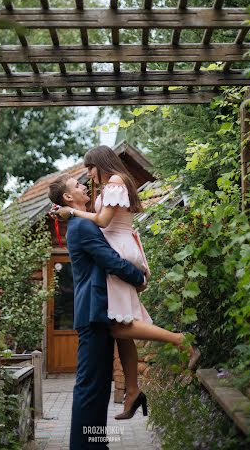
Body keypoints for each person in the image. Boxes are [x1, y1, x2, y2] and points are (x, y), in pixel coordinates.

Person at [51, 145, 201, 422]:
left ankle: (180, 341)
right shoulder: (111, 185)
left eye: (90, 169)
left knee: (119, 326)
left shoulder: (115, 183)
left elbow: (103, 220)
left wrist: (71, 213)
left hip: (119, 251)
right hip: (122, 247)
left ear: (101, 163)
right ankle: (132, 390)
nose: (89, 176)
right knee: (124, 324)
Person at [48, 173, 147, 450]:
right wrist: (138, 277)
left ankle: (96, 442)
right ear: (68, 197)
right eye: (77, 185)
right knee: (91, 386)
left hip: (98, 313)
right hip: (92, 313)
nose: (84, 185)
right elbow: (109, 259)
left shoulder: (80, 220)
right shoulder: (81, 225)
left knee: (100, 385)